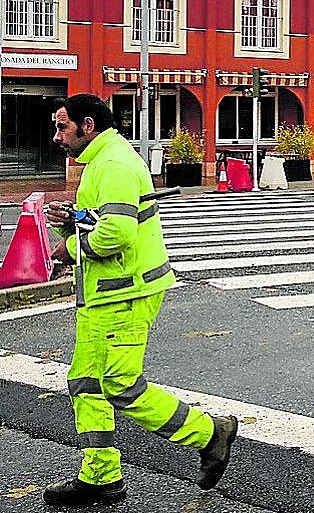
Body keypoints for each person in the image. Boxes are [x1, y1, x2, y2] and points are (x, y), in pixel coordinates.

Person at [43, 94, 238, 507]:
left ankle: (210, 433)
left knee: (119, 384)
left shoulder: (113, 164)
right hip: (106, 294)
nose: (57, 136)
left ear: (87, 125)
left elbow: (116, 234)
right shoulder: (104, 161)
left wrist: (71, 249)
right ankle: (100, 477)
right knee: (86, 384)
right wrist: (71, 222)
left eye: (63, 127)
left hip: (125, 293)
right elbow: (101, 222)